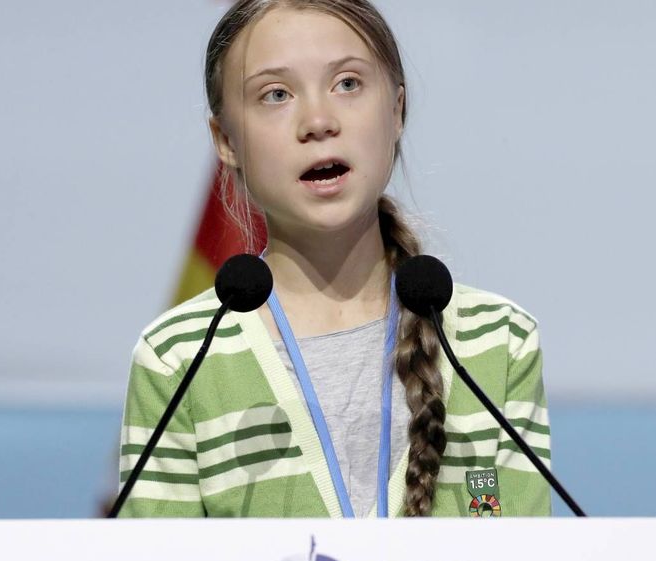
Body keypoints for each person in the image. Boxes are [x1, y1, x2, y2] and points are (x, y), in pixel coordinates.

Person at [118, 0, 551, 519]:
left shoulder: (496, 343)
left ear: (396, 110)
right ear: (227, 141)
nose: (318, 121)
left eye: (347, 84)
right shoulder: (179, 359)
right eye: (275, 94)